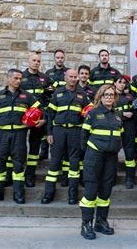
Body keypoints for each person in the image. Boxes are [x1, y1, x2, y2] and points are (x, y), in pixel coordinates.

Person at [0, 69, 41, 204]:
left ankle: (18, 193)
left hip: (19, 134)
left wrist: (40, 119)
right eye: (15, 78)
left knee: (18, 163)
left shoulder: (26, 96)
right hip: (2, 134)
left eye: (20, 79)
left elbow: (40, 109)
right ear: (8, 79)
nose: (19, 81)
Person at [79, 85, 123, 240]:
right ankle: (86, 225)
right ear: (100, 96)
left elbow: (120, 136)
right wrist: (90, 154)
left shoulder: (118, 115)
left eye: (112, 95)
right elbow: (83, 137)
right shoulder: (93, 113)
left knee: (105, 193)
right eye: (106, 94)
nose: (109, 97)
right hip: (94, 157)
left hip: (111, 158)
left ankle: (101, 222)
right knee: (90, 193)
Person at [41, 69, 90, 205]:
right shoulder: (58, 93)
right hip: (59, 131)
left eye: (75, 77)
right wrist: (49, 133)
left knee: (74, 164)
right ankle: (48, 194)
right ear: (65, 77)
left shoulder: (82, 94)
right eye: (71, 77)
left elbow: (88, 114)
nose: (73, 79)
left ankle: (72, 195)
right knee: (54, 163)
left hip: (75, 132)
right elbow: (50, 115)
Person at [20, 52, 52, 187]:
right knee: (19, 148)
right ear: (28, 61)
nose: (36, 63)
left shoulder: (45, 78)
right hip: (21, 118)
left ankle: (30, 176)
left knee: (34, 149)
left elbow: (49, 98)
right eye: (34, 60)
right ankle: (15, 175)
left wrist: (44, 117)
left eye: (38, 61)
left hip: (38, 119)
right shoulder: (20, 77)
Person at [113, 76, 137, 189]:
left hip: (128, 126)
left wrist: (135, 111)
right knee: (112, 153)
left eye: (124, 82)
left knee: (130, 153)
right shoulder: (110, 95)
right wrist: (122, 114)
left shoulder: (129, 96)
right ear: (115, 83)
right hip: (114, 126)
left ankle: (130, 179)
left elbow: (135, 109)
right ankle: (111, 178)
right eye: (120, 82)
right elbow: (107, 111)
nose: (122, 84)